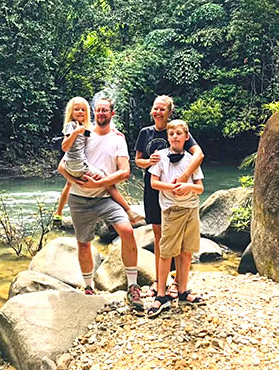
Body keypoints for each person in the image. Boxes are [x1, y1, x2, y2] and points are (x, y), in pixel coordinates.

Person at [57, 98, 144, 313]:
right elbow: (62, 164)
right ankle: (88, 287)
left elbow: (125, 172)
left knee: (127, 232)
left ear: (112, 114)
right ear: (94, 113)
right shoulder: (84, 133)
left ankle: (133, 285)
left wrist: (101, 183)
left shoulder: (117, 139)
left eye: (105, 110)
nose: (101, 113)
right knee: (84, 244)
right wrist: (74, 180)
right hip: (79, 198)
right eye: (98, 110)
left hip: (106, 197)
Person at [135, 95, 204, 299]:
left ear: (169, 112)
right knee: (159, 235)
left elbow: (198, 155)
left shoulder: (177, 130)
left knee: (181, 241)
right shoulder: (145, 132)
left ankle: (177, 283)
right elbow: (138, 161)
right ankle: (159, 281)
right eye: (155, 108)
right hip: (154, 188)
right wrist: (149, 162)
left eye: (162, 109)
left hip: (179, 189)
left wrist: (184, 179)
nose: (158, 112)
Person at [147, 119, 207, 317]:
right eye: (171, 134)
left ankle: (182, 290)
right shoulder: (160, 158)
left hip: (191, 209)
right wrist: (173, 188)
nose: (174, 137)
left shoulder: (191, 159)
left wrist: (188, 187)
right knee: (166, 252)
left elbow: (200, 188)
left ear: (186, 137)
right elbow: (154, 183)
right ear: (167, 137)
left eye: (178, 134)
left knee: (186, 251)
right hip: (171, 210)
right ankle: (162, 294)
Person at [55, 97, 144, 224]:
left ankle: (129, 212)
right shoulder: (73, 127)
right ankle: (129, 211)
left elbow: (95, 134)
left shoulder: (85, 130)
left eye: (82, 110)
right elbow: (64, 152)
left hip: (78, 167)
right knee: (106, 179)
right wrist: (75, 132)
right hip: (78, 169)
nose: (80, 112)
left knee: (101, 181)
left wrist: (113, 131)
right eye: (76, 109)